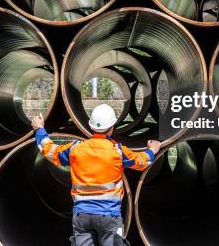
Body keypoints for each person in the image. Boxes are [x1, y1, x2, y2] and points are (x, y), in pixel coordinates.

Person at [31, 103, 162, 246]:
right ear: (111, 129)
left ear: (91, 127)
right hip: (110, 217)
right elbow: (141, 162)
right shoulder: (117, 151)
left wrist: (40, 129)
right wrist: (152, 150)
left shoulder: (76, 148)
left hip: (82, 216)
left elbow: (51, 151)